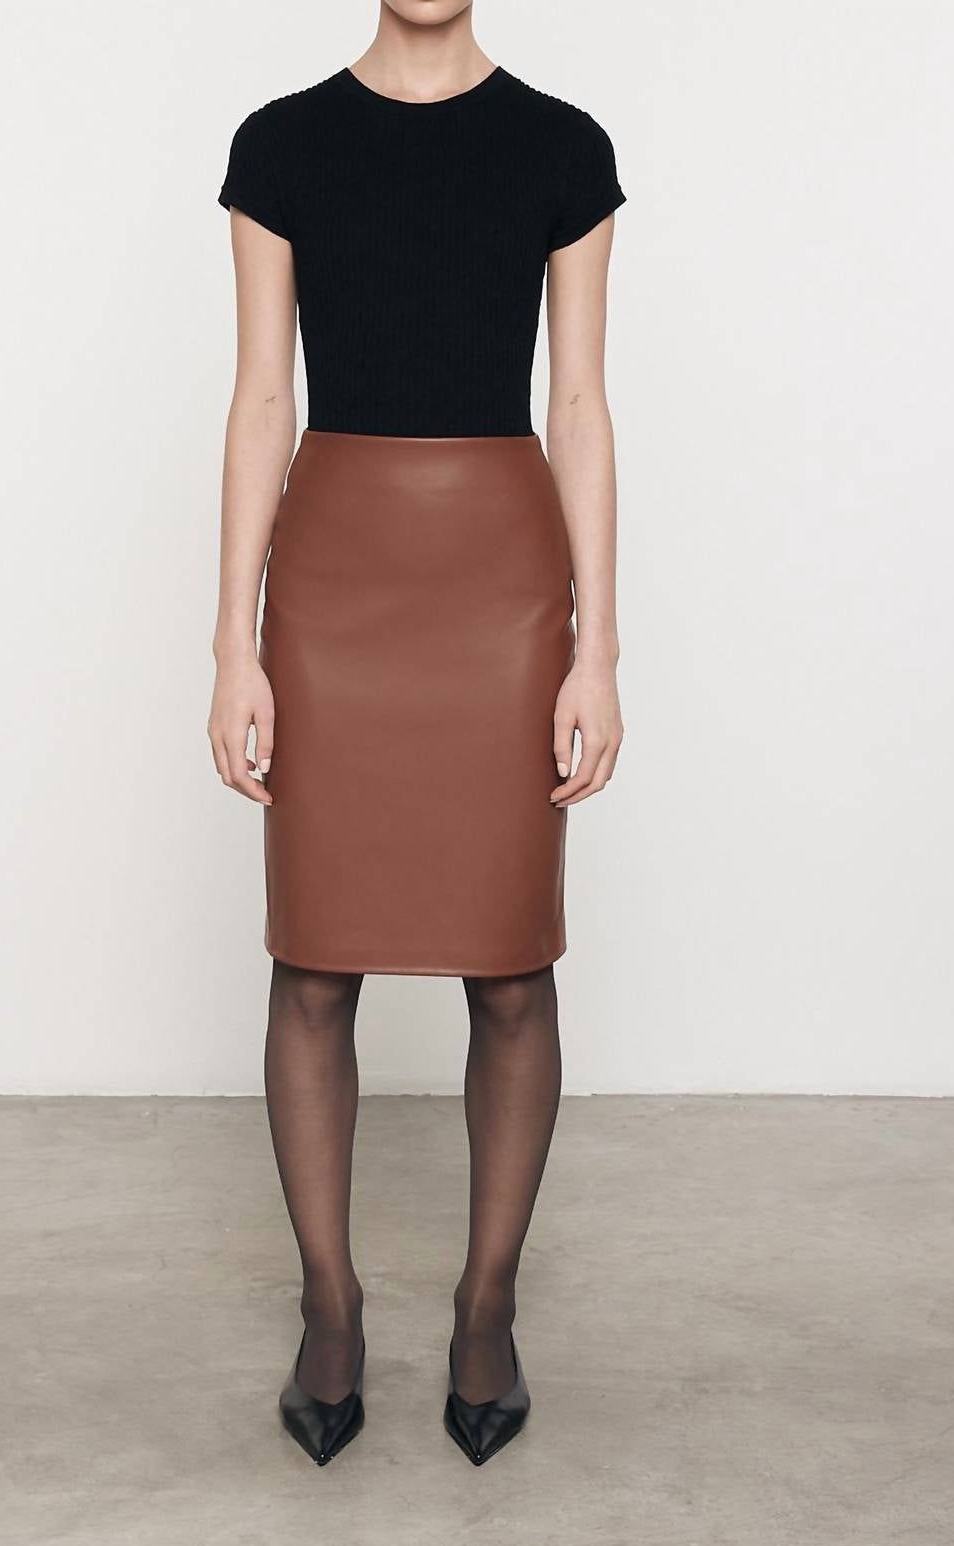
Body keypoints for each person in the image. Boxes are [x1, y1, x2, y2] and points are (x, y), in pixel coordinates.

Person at [209, 0, 625, 1466]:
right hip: (334, 584)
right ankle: (329, 1307)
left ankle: (486, 1304)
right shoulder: (283, 145)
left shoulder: (563, 148)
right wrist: (235, 644)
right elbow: (263, 399)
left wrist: (597, 648)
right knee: (314, 958)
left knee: (510, 966)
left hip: (502, 585)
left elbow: (580, 405)